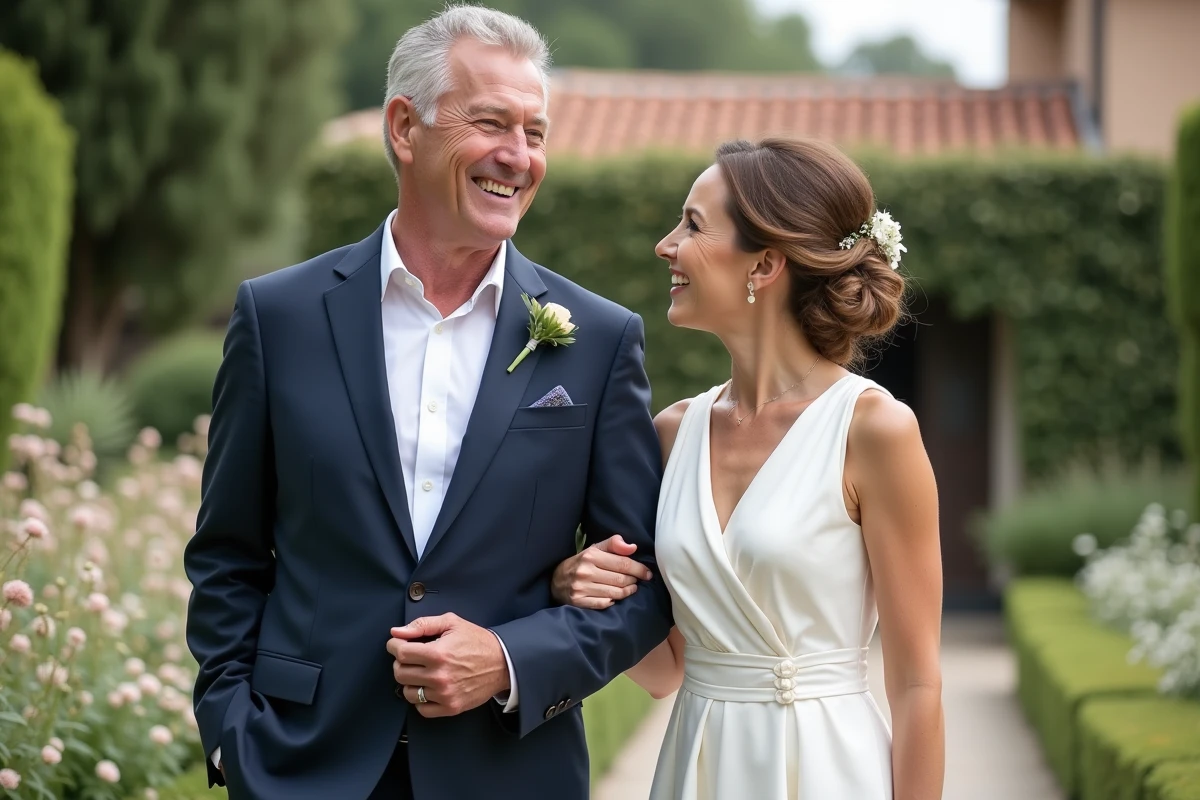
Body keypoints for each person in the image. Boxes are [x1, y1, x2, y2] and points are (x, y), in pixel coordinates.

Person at [183, 7, 672, 799]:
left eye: (535, 133)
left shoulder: (600, 339)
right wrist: (231, 736)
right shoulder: (278, 317)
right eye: (492, 123)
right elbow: (227, 556)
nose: (518, 156)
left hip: (509, 773)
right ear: (405, 128)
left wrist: (509, 661)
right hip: (301, 766)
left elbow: (640, 587)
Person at [552, 138, 945, 799]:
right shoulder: (672, 433)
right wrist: (575, 587)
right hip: (697, 764)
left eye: (692, 225)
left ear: (763, 264)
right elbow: (665, 671)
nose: (665, 245)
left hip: (827, 769)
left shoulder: (873, 429)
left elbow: (917, 684)